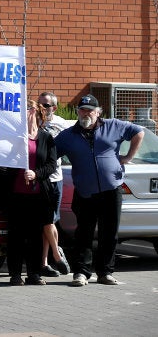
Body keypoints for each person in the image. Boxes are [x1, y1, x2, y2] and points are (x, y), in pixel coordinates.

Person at [55, 94, 144, 286]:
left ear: (98, 112)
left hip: (111, 190)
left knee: (109, 233)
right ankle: (81, 273)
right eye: (82, 109)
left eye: (90, 110)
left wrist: (128, 157)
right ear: (78, 111)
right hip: (85, 192)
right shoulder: (68, 136)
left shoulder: (113, 126)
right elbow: (49, 153)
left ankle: (105, 272)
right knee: (83, 233)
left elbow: (139, 131)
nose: (85, 113)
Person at [6, 100, 57, 286]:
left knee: (35, 236)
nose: (26, 112)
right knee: (16, 236)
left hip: (39, 196)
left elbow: (51, 165)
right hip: (17, 195)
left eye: (29, 108)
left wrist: (36, 173)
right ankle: (15, 274)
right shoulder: (14, 137)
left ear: (37, 112)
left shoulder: (46, 138)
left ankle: (34, 273)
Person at [38, 92, 71, 277]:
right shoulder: (32, 122)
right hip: (38, 178)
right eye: (40, 104)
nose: (43, 108)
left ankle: (44, 262)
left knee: (50, 221)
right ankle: (57, 256)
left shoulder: (61, 124)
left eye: (47, 105)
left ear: (54, 108)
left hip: (55, 178)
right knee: (45, 221)